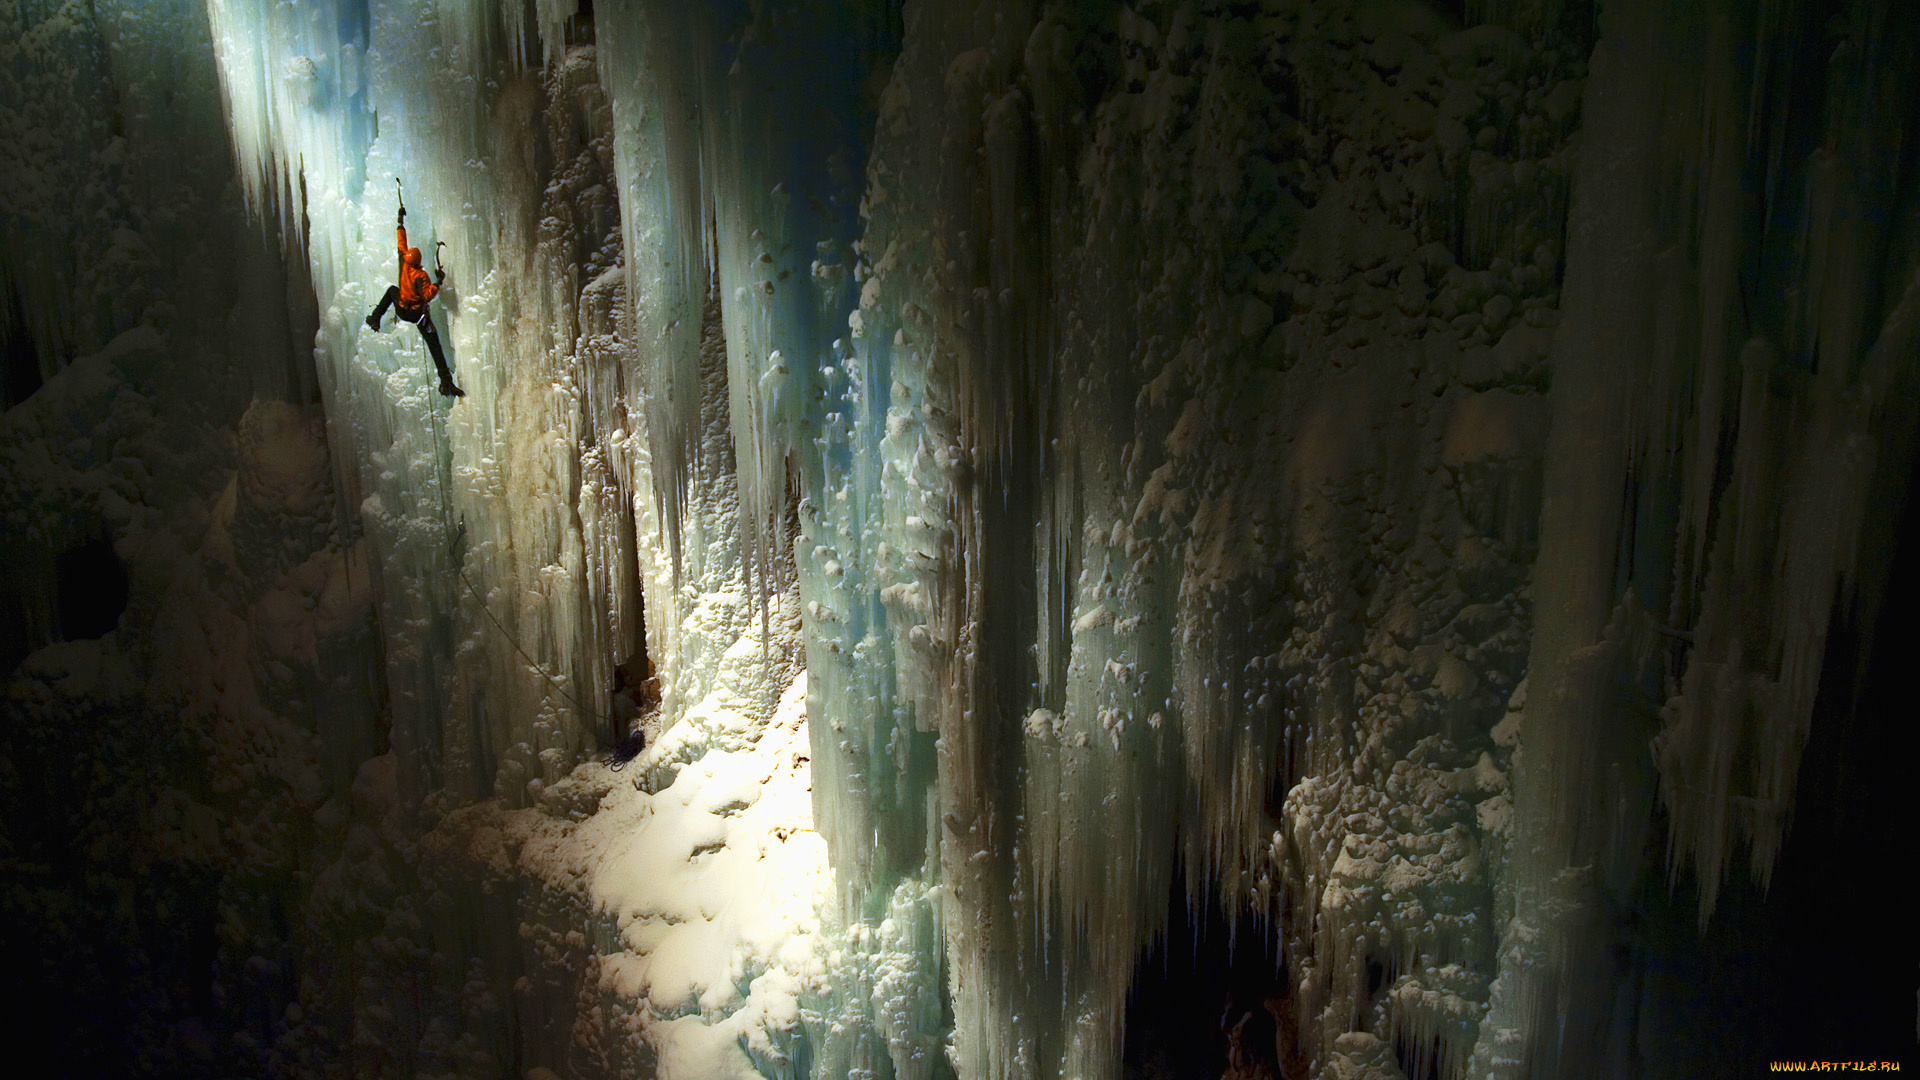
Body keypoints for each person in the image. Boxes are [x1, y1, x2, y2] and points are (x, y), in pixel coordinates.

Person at [366, 192, 464, 398]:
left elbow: (401, 243)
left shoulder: (404, 263)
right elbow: (428, 295)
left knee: (392, 290)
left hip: (401, 309)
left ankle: (375, 318)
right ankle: (446, 382)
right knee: (434, 345)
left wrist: (400, 221)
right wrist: (439, 280)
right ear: (419, 261)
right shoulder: (421, 275)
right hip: (418, 315)